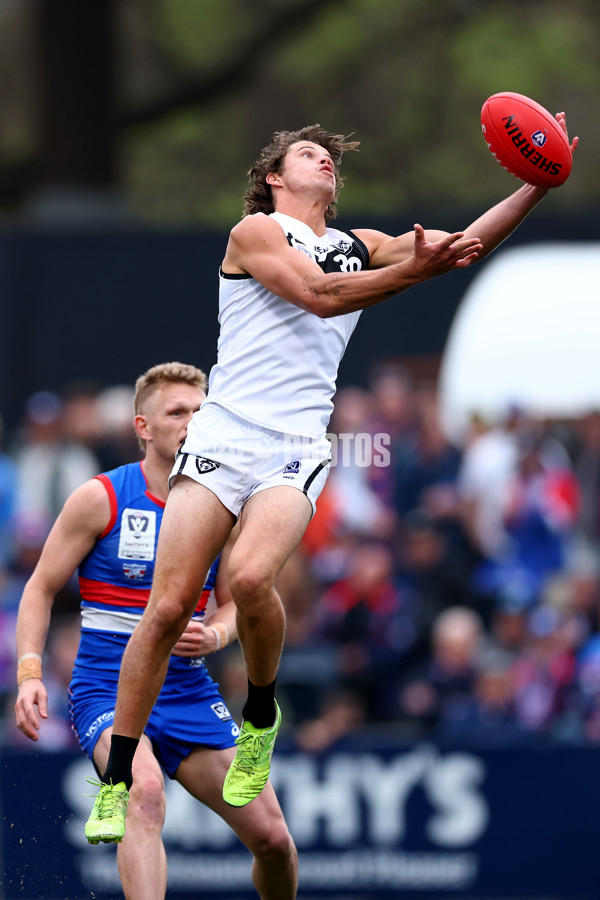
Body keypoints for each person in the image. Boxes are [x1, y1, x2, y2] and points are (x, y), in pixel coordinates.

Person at [88, 118, 578, 829]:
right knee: (165, 611)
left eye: (329, 156)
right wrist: (415, 270)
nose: (324, 159)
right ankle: (117, 778)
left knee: (252, 579)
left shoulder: (362, 246)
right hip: (224, 434)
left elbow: (462, 245)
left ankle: (259, 714)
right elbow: (320, 296)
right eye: (306, 153)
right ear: (275, 180)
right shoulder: (255, 233)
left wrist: (536, 182)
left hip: (294, 442)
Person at [14, 362, 298, 900]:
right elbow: (39, 588)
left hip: (188, 689)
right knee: (143, 791)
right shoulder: (103, 497)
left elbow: (241, 604)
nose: (192, 421)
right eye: (177, 412)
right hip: (108, 687)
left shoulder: (226, 509)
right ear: (142, 426)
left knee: (276, 841)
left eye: (200, 411)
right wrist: (30, 671)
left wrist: (216, 634)